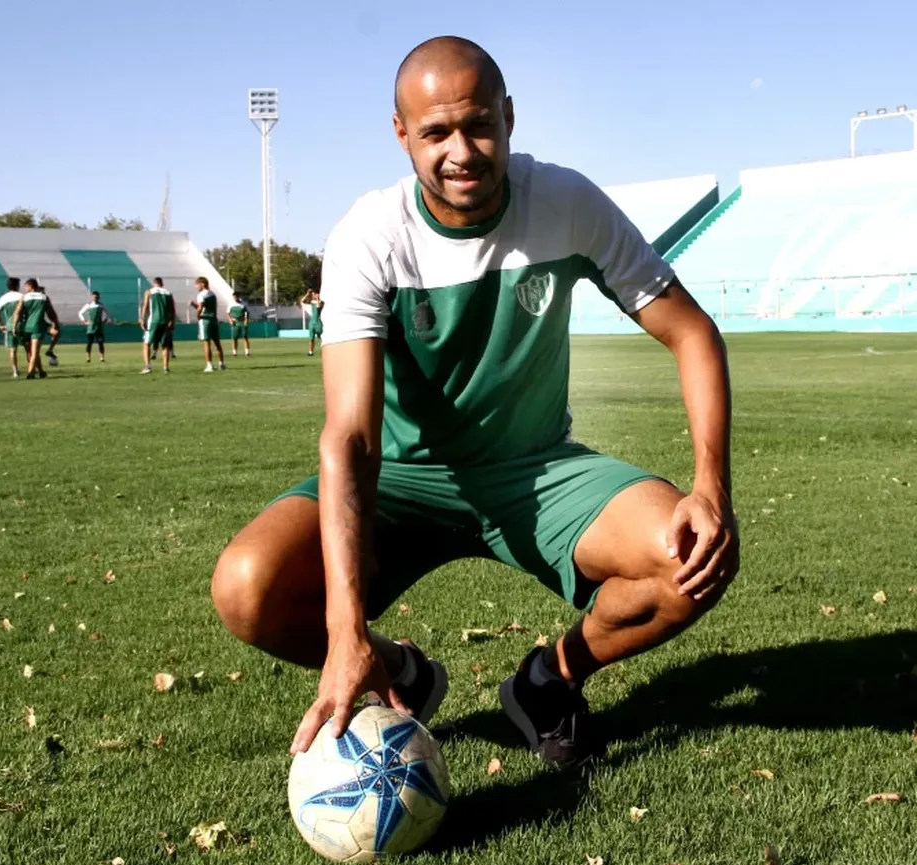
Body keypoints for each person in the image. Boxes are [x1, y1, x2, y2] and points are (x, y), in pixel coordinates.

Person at [210, 37, 739, 771]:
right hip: (398, 477)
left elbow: (692, 333)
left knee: (692, 559)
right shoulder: (369, 234)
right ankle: (403, 673)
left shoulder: (567, 202)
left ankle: (547, 679)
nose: (461, 150)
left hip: (535, 470)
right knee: (245, 588)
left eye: (479, 124)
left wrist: (710, 486)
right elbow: (351, 439)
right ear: (402, 135)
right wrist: (347, 633)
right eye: (435, 132)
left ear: (510, 117)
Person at [14, 279, 60, 379]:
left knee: (31, 352)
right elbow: (51, 313)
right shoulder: (44, 297)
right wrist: (55, 323)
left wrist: (14, 326)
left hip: (26, 327)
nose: (25, 288)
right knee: (34, 352)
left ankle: (40, 372)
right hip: (37, 327)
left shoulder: (24, 297)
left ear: (31, 286)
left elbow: (17, 313)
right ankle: (30, 373)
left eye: (26, 286)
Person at [140, 277, 175, 374]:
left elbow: (145, 305)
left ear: (154, 283)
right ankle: (165, 368)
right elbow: (172, 309)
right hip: (165, 321)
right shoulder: (168, 293)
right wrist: (172, 321)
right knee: (165, 345)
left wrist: (142, 319)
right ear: (162, 283)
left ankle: (148, 367)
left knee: (147, 343)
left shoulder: (149, 292)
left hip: (153, 321)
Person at [193, 277, 226, 372]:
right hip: (214, 320)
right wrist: (194, 305)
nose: (196, 287)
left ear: (202, 284)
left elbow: (201, 308)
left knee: (206, 343)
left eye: (197, 284)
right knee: (217, 343)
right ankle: (221, 364)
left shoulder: (201, 295)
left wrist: (198, 316)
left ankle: (209, 365)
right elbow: (205, 307)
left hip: (205, 321)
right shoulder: (212, 294)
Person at [0, 277, 24, 378]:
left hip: (9, 326)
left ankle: (15, 371)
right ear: (17, 286)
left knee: (12, 350)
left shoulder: (4, 298)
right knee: (29, 348)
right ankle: (32, 368)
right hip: (22, 325)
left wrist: (1, 325)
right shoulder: (21, 296)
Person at [79, 291, 112, 363]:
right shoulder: (88, 305)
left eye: (97, 297)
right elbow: (80, 313)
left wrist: (105, 320)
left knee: (100, 342)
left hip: (99, 327)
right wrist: (85, 321)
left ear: (99, 297)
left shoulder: (101, 305)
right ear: (92, 297)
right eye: (94, 297)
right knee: (89, 343)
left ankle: (102, 358)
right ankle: (88, 358)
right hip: (91, 328)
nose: (95, 298)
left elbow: (108, 313)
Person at [39, 286, 60, 367]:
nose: (43, 293)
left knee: (56, 332)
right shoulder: (31, 299)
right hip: (34, 325)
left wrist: (54, 323)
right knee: (34, 347)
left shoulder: (45, 299)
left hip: (42, 323)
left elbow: (50, 312)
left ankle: (50, 350)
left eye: (44, 292)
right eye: (42, 292)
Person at [301, 289, 324, 356]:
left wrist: (318, 298)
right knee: (311, 338)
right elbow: (302, 301)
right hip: (312, 323)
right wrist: (307, 294)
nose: (314, 295)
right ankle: (310, 351)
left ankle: (326, 349)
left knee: (322, 337)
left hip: (318, 322)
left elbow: (320, 306)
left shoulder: (320, 302)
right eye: (313, 294)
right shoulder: (310, 304)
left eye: (315, 294)